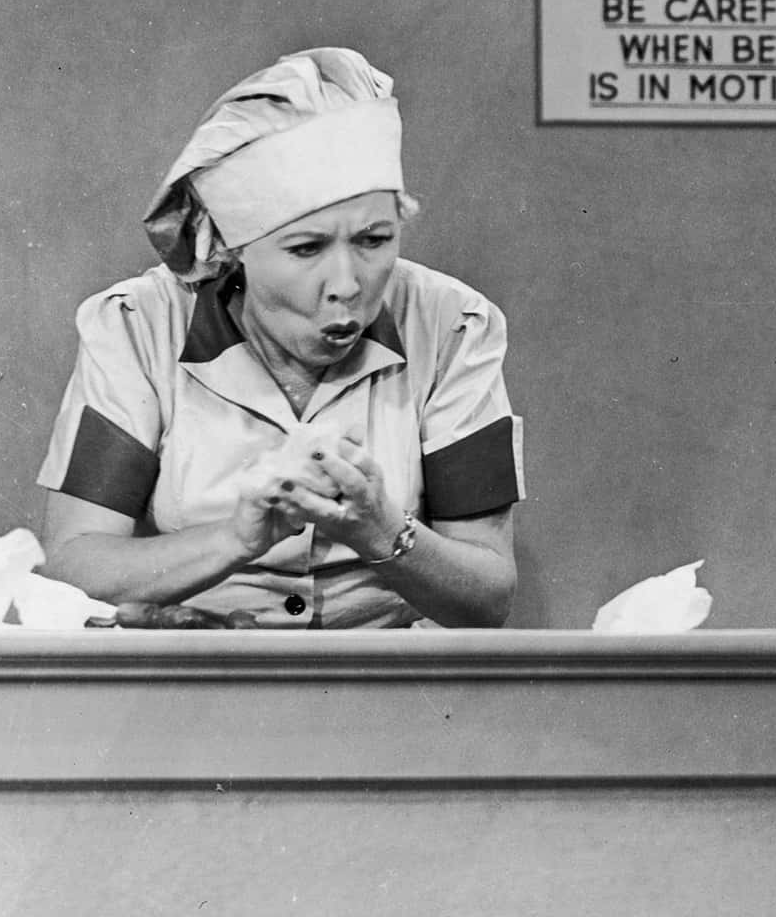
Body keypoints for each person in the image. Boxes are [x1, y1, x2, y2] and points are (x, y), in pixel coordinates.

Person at [37, 48, 523, 628]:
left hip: (385, 693)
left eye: (374, 240)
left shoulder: (453, 327)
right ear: (232, 250)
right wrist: (236, 538)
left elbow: (489, 595)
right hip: (190, 687)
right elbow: (71, 566)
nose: (347, 284)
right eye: (306, 248)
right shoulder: (138, 327)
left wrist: (384, 532)